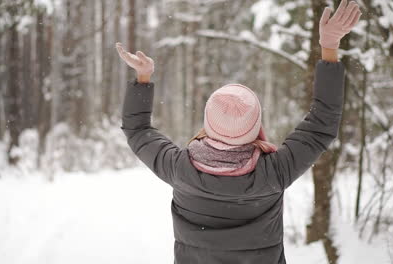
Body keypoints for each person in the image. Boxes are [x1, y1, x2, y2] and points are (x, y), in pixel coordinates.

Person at [116, 0, 361, 263]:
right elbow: (322, 124)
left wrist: (143, 77)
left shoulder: (180, 168)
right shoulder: (274, 172)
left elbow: (137, 129)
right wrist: (329, 47)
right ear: (256, 128)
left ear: (208, 124)